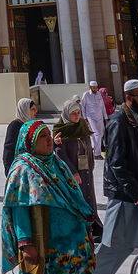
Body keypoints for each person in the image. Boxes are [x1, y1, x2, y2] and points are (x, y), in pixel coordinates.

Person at [1, 119, 104, 274]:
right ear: (29, 142)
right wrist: (25, 244)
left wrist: (86, 229)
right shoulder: (23, 169)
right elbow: (18, 209)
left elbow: (75, 198)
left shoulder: (57, 164)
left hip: (69, 246)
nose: (49, 139)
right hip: (38, 246)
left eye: (49, 134)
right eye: (43, 136)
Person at [95, 80, 138, 274]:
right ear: (129, 98)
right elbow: (116, 163)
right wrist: (136, 194)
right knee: (114, 246)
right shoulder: (118, 122)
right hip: (126, 197)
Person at [53, 96, 102, 240]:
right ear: (67, 113)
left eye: (78, 113)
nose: (76, 116)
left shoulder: (82, 126)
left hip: (86, 170)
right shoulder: (60, 130)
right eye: (73, 113)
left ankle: (93, 226)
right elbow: (60, 154)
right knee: (77, 199)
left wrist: (91, 164)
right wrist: (73, 172)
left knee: (89, 197)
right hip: (73, 174)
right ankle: (81, 227)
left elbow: (88, 146)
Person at [2, 98, 37, 176]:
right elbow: (9, 150)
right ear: (25, 110)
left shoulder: (30, 125)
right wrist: (10, 171)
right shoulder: (15, 126)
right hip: (18, 170)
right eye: (33, 109)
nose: (36, 111)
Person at [80, 81, 107, 158]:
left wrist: (106, 118)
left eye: (96, 87)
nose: (95, 88)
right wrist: (84, 117)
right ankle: (97, 154)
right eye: (93, 87)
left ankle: (96, 152)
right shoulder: (86, 94)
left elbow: (102, 107)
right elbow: (83, 107)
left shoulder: (99, 94)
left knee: (100, 134)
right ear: (90, 87)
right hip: (91, 118)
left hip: (100, 117)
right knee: (97, 135)